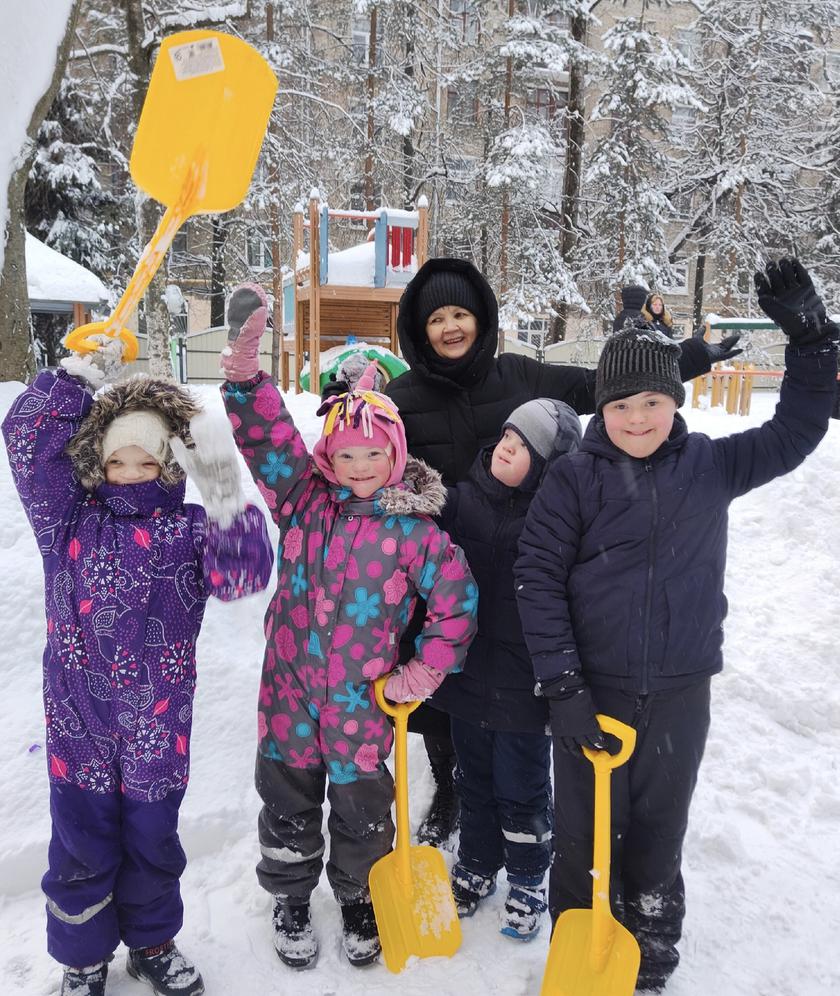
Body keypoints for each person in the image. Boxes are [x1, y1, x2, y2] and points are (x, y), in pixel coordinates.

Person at [513, 258, 838, 993]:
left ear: (673, 401)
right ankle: (580, 951)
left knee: (660, 831)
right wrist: (563, 688)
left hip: (681, 691)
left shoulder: (711, 467)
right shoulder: (574, 478)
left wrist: (813, 341)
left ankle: (652, 952)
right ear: (602, 406)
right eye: (621, 404)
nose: (636, 419)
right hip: (589, 690)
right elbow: (537, 579)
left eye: (651, 403)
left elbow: (798, 428)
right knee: (583, 837)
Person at [375, 256, 741, 848]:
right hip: (434, 565)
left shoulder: (517, 375)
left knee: (517, 673)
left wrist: (689, 358)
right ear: (419, 330)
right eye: (437, 317)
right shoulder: (401, 396)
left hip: (524, 553)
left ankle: (522, 804)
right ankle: (452, 784)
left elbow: (604, 386)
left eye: (460, 313)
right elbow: (372, 455)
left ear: (481, 318)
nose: (450, 327)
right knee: (444, 679)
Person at [1, 338, 273, 996]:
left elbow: (244, 575)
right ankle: (83, 956)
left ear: (170, 463)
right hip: (78, 722)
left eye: (146, 459)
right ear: (98, 460)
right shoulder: (65, 521)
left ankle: (152, 942)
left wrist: (225, 492)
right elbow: (27, 440)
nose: (129, 470)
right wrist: (71, 381)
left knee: (154, 841)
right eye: (117, 459)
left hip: (158, 729)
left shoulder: (189, 530)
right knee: (81, 846)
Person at [218, 284, 478, 971]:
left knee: (364, 813)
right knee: (287, 803)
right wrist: (245, 372)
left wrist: (421, 672)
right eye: (348, 454)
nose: (360, 468)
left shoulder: (414, 532)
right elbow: (268, 440)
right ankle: (291, 896)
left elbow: (456, 602)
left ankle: (362, 896)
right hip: (290, 695)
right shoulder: (303, 499)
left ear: (396, 456)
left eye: (374, 455)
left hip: (365, 701)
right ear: (330, 456)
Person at [430, 398, 582, 941]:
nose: (504, 447)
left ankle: (527, 877)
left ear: (545, 468)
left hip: (523, 686)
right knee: (472, 781)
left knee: (522, 790)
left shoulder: (555, 521)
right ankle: (475, 863)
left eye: (521, 447)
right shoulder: (463, 501)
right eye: (505, 437)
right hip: (467, 677)